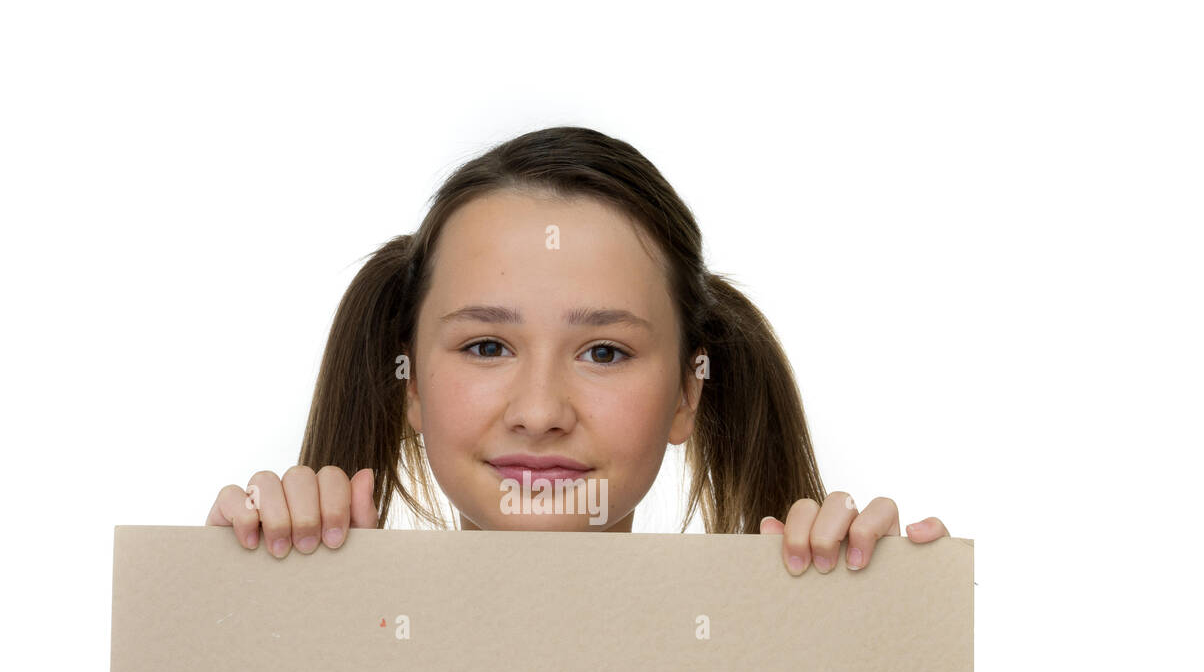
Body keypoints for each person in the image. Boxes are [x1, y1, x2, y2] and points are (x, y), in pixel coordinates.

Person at [207, 126, 947, 573]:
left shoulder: (799, 644)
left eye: (603, 353)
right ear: (410, 384)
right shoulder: (295, 622)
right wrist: (247, 603)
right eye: (488, 344)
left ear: (688, 392)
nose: (539, 412)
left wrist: (876, 613)